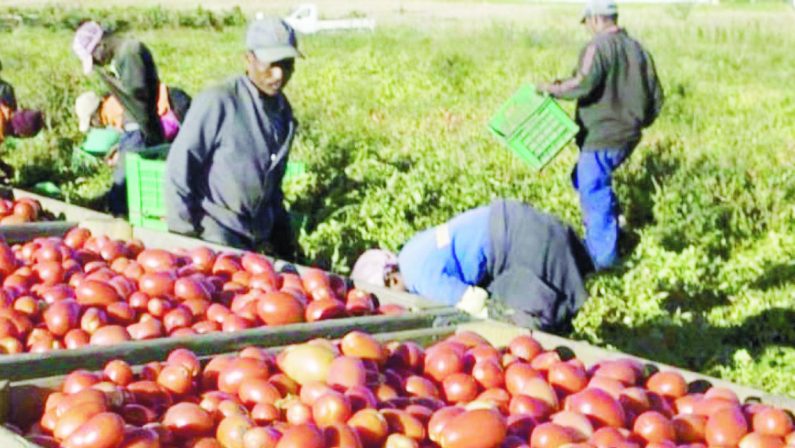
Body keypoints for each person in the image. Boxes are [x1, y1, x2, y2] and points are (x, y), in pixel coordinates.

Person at [537, 0, 663, 270]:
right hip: (627, 136)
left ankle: (603, 263)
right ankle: (617, 227)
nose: (587, 29)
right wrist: (636, 123)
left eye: (587, 23)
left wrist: (551, 88)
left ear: (595, 19)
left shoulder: (598, 46)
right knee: (582, 179)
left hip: (603, 136)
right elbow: (657, 98)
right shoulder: (638, 50)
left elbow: (582, 83)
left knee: (593, 190)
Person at [164, 17, 300, 259]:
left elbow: (273, 188)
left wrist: (284, 241)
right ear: (249, 59)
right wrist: (183, 235)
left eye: (287, 64)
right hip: (214, 229)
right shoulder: (220, 101)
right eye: (271, 64)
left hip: (255, 235)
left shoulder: (284, 115)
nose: (279, 74)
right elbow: (179, 168)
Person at [351, 199, 595, 333]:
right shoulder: (410, 253)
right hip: (512, 224)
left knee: (527, 324)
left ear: (392, 280)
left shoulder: (421, 278)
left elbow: (474, 302)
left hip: (518, 240)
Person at [72, 20, 165, 215]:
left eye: (94, 57)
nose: (97, 62)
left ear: (101, 45)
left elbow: (138, 93)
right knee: (125, 186)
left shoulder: (130, 52)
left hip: (139, 129)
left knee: (123, 191)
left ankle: (120, 222)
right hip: (134, 129)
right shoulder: (123, 55)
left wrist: (111, 81)